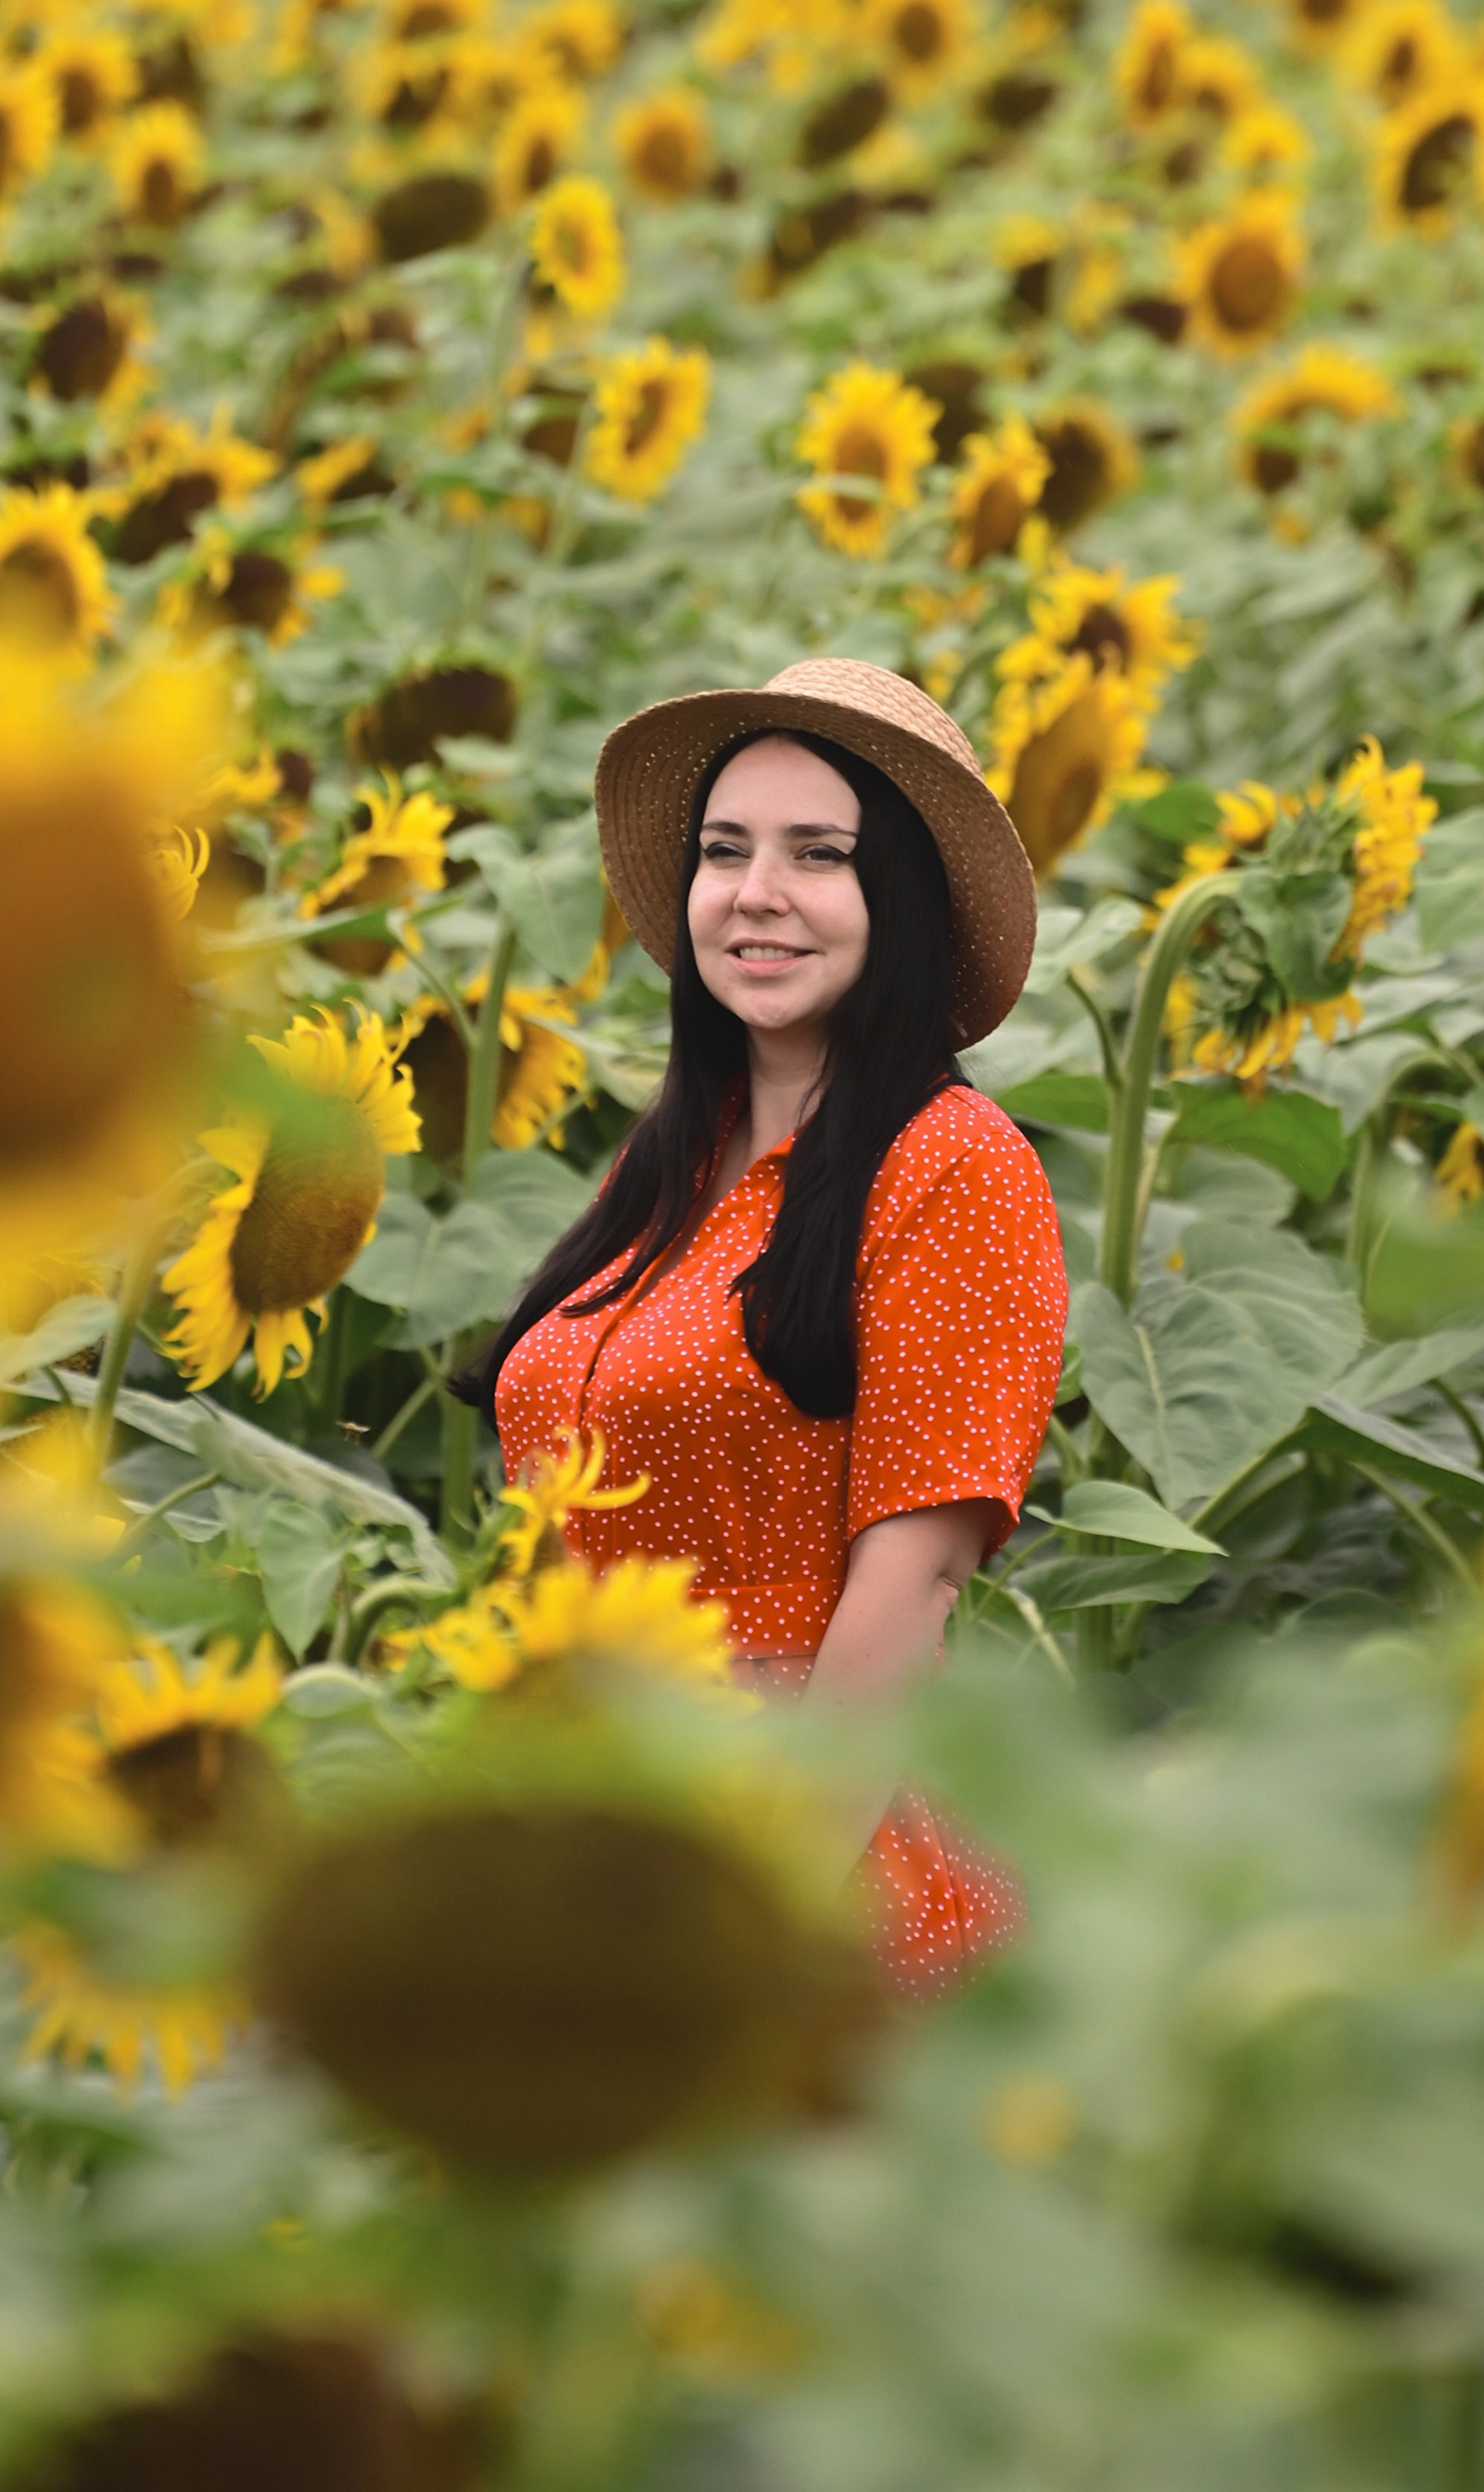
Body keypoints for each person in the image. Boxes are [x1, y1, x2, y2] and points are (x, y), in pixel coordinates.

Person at [461, 657, 1068, 1994]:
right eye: (725, 850)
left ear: (897, 900)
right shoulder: (674, 1165)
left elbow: (910, 1586)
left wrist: (759, 1902)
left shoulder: (954, 1168)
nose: (758, 894)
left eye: (820, 854)